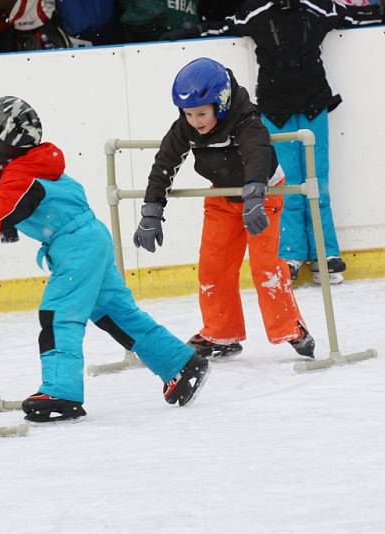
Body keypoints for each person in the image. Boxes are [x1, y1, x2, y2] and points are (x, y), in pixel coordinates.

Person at [0, 96, 210, 422]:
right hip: (90, 240)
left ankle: (61, 391)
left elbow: (0, 213)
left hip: (77, 249)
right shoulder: (34, 162)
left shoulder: (21, 177)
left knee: (58, 314)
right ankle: (179, 363)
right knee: (116, 314)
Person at [161, 0, 385, 284]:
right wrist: (189, 30)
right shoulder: (256, 12)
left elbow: (353, 16)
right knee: (287, 184)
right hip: (275, 110)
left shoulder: (316, 7)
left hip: (313, 105)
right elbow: (221, 26)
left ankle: (325, 254)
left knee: (317, 182)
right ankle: (291, 254)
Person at [133, 57, 314, 360]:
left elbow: (257, 154)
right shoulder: (185, 128)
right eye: (188, 114)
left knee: (264, 266)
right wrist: (152, 210)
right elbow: (164, 163)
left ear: (223, 102)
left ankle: (291, 328)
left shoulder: (246, 120)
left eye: (201, 113)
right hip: (222, 196)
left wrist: (255, 195)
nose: (195, 121)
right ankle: (221, 333)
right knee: (213, 266)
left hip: (263, 194)